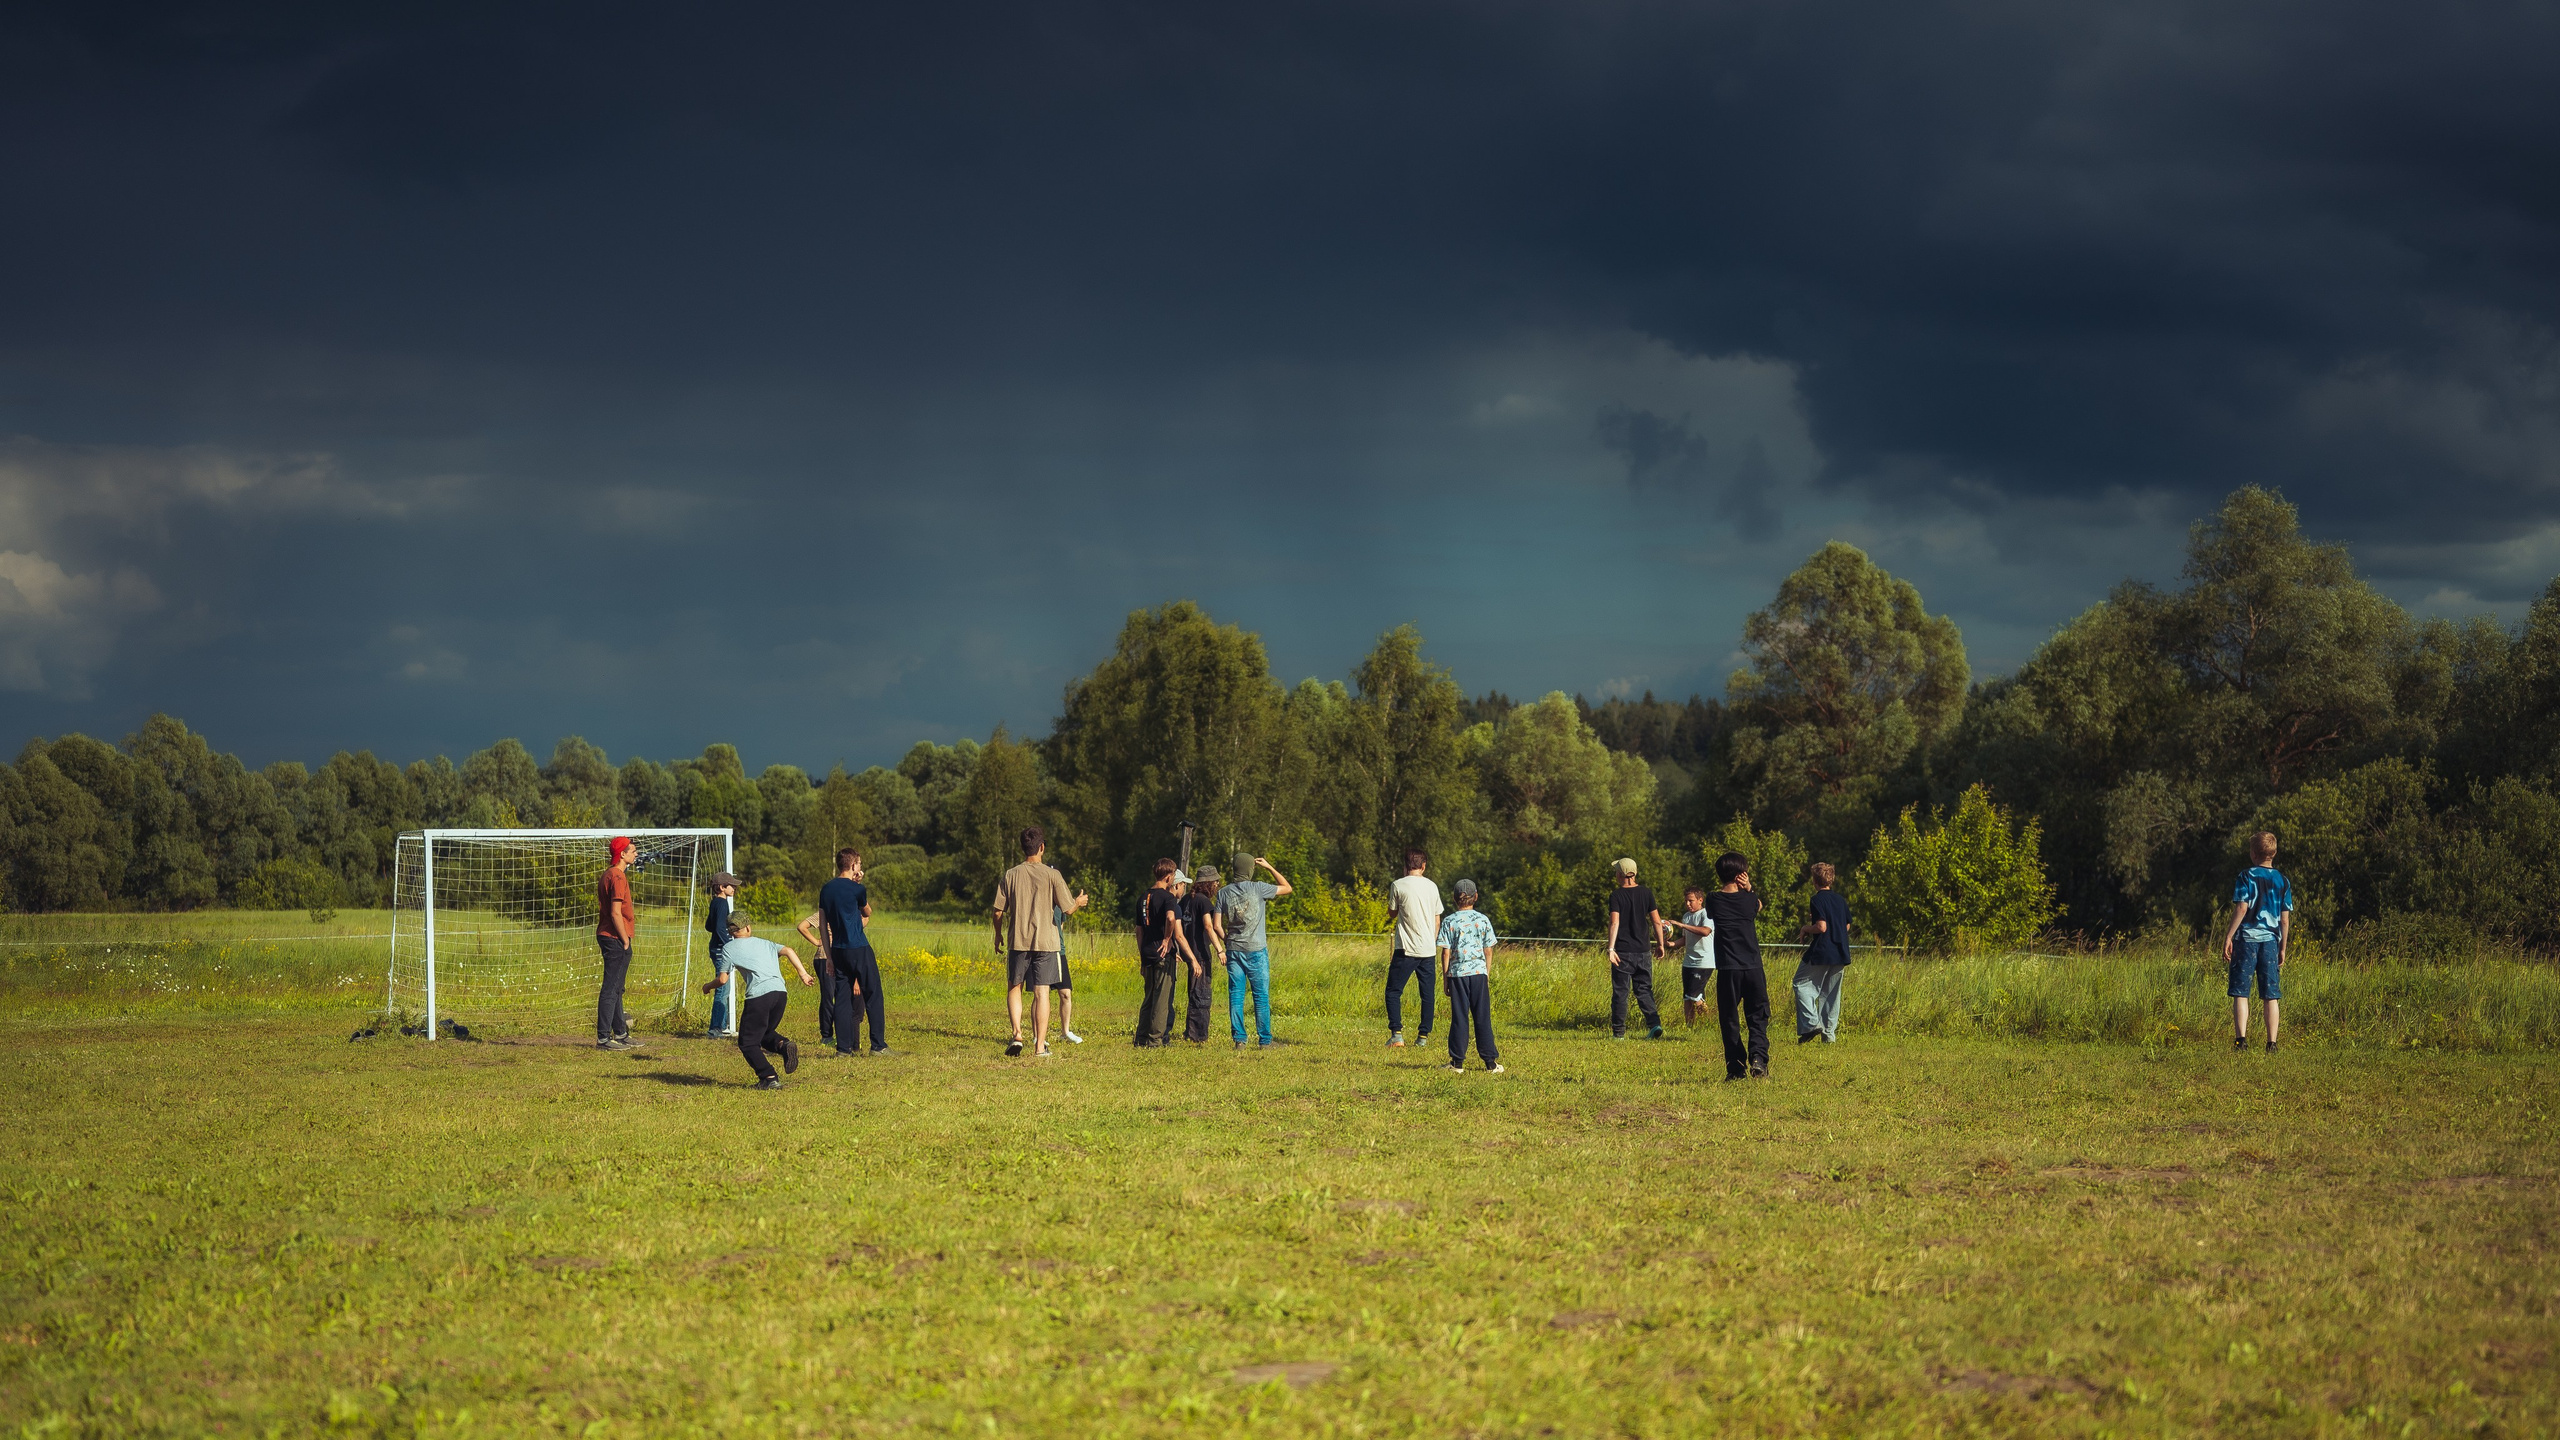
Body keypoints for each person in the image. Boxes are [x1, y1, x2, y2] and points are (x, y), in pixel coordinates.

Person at [991, 825, 1088, 1058]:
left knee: (1014, 987)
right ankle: (1039, 1047)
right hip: (1047, 942)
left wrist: (998, 934)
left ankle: (1017, 1034)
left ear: (1022, 847)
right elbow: (1068, 909)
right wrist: (1078, 902)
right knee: (1042, 992)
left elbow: (998, 911)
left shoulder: (1011, 874)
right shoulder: (1053, 875)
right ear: (1042, 847)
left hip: (1018, 940)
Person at [702, 914, 815, 1088]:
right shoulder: (765, 943)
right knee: (763, 1033)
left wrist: (708, 986)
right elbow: (789, 950)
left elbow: (723, 980)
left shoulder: (729, 948)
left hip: (759, 997)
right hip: (780, 993)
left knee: (747, 1042)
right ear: (748, 927)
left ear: (730, 932)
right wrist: (803, 974)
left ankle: (769, 1077)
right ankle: (783, 1045)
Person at [798, 849, 887, 1055]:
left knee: (842, 998)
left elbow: (822, 925)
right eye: (859, 864)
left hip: (837, 950)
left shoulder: (826, 889)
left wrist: (829, 957)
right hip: (859, 947)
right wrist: (858, 883)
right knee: (873, 994)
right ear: (853, 865)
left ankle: (843, 1048)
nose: (860, 867)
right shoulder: (858, 889)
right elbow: (868, 912)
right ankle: (878, 1045)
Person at [2222, 831, 2293, 1053]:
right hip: (2271, 942)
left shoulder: (2246, 876)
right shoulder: (2283, 881)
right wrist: (2282, 947)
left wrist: (2229, 935)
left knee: (2241, 992)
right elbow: (2284, 920)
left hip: (2246, 940)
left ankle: (2240, 1042)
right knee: (2270, 995)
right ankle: (2272, 1044)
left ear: (2253, 853)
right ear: (2274, 853)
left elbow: (2242, 908)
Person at [1217, 851, 1292, 1049]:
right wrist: (1269, 867)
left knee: (1236, 995)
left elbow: (1216, 925)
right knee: (1260, 996)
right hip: (1256, 950)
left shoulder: (1223, 893)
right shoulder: (1259, 888)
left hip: (1234, 950)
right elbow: (1287, 888)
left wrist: (1227, 940)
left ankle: (1239, 1040)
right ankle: (1265, 1041)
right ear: (1250, 869)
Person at [1706, 852, 1770, 1079]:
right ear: (1740, 875)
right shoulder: (1749, 899)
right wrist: (1749, 888)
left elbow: (1711, 914)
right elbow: (1758, 907)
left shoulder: (1713, 899)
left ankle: (1735, 1068)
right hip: (1752, 966)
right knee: (1758, 1015)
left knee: (1729, 1018)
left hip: (1728, 968)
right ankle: (1758, 1059)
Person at [1436, 878, 1503, 1073]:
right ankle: (1490, 1063)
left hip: (1457, 975)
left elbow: (1446, 953)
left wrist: (1446, 979)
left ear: (1454, 898)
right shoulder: (1482, 920)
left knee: (1459, 1017)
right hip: (1478, 974)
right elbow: (1488, 950)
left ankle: (1457, 1063)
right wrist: (1486, 973)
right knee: (1482, 1017)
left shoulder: (1449, 921)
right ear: (1476, 896)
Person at [1133, 860, 1199, 1047]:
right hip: (1162, 954)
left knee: (1148, 998)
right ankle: (1155, 1040)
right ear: (1169, 877)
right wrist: (1166, 939)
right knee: (1162, 1000)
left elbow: (1139, 931)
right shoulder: (1168, 898)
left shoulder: (1143, 897)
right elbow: (1170, 918)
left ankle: (1141, 1038)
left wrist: (1142, 957)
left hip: (1147, 952)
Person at [1602, 857, 1666, 1039]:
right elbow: (1656, 921)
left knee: (1621, 992)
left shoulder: (1616, 896)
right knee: (1644, 990)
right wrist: (1660, 944)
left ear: (1620, 874)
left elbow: (1614, 922)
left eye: (1616, 871)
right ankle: (1654, 1025)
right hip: (1643, 951)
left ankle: (1619, 1033)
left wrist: (1611, 949)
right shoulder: (1646, 893)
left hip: (1623, 952)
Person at [1385, 849, 1442, 1048]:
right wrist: (1432, 941)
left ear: (1406, 866)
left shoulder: (1398, 885)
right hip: (1428, 949)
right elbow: (1437, 919)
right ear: (1423, 866)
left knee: (1393, 991)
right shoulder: (1432, 886)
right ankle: (1423, 1036)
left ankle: (1397, 1034)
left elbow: (1392, 913)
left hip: (1406, 948)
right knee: (1427, 994)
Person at [1794, 863, 1852, 1044]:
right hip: (1840, 951)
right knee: (1831, 994)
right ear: (1831, 879)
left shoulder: (1817, 899)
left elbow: (1821, 927)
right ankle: (1829, 1037)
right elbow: (1846, 925)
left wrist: (1806, 928)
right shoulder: (1840, 900)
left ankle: (1812, 1024)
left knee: (1801, 984)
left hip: (1822, 951)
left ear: (1814, 881)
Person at [594, 836, 639, 1051]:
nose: (636, 854)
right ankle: (603, 1038)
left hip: (612, 936)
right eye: (633, 851)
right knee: (611, 988)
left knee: (617, 988)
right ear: (622, 854)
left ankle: (620, 1033)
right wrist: (624, 939)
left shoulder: (608, 874)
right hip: (614, 937)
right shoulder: (617, 876)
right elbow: (615, 912)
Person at [1180, 866, 1223, 1044]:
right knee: (1202, 994)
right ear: (1208, 883)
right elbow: (1208, 926)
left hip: (1188, 952)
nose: (1217, 884)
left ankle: (1190, 1031)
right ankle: (1197, 1035)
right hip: (1200, 953)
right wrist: (1220, 949)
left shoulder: (1185, 900)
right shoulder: (1204, 901)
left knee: (1193, 991)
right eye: (1215, 881)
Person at [1664, 885, 1716, 1027]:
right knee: (1687, 997)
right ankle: (1689, 1027)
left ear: (1700, 900)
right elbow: (1685, 939)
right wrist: (1671, 944)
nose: (1688, 904)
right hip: (1688, 962)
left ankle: (1709, 1023)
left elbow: (1705, 931)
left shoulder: (1706, 914)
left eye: (1691, 900)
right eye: (1686, 901)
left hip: (1703, 962)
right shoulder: (1686, 916)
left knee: (1694, 996)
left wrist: (1682, 925)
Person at [703, 870, 741, 1038]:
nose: (734, 888)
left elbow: (709, 926)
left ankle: (722, 1025)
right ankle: (715, 1028)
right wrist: (730, 945)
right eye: (731, 886)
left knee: (725, 987)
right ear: (721, 887)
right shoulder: (723, 903)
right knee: (722, 988)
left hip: (716, 948)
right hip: (721, 950)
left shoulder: (715, 902)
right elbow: (718, 928)